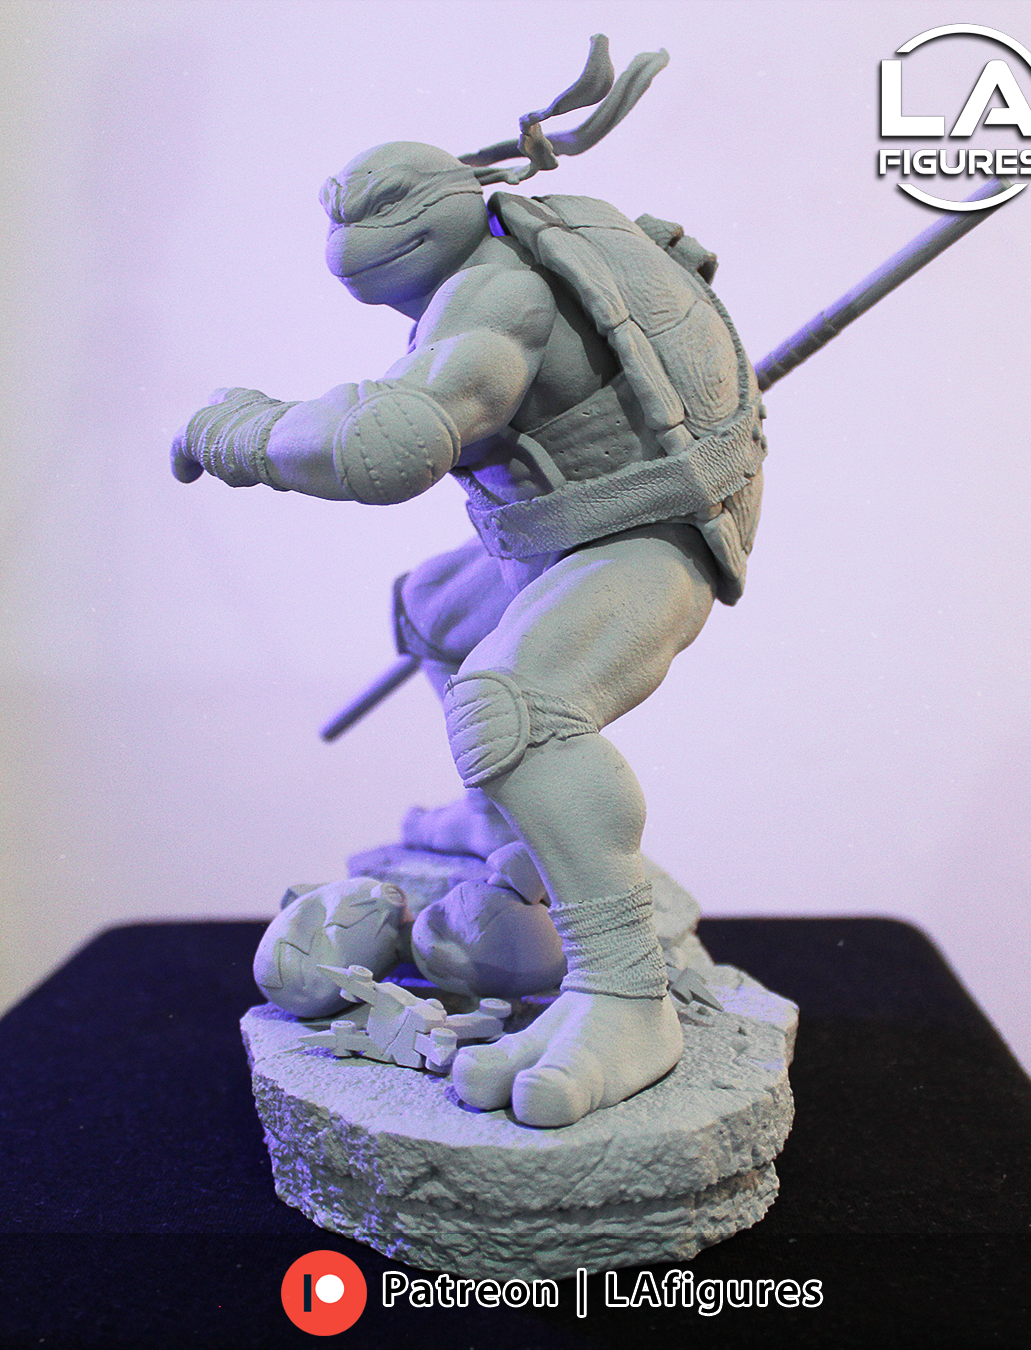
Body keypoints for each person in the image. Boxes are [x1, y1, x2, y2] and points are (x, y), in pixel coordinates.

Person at [173, 128, 764, 1127]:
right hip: (558, 530)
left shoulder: (500, 294)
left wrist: (242, 430)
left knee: (517, 708)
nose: (348, 236)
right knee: (435, 609)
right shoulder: (487, 271)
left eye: (376, 214)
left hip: (644, 538)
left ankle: (625, 997)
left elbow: (387, 445)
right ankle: (505, 826)